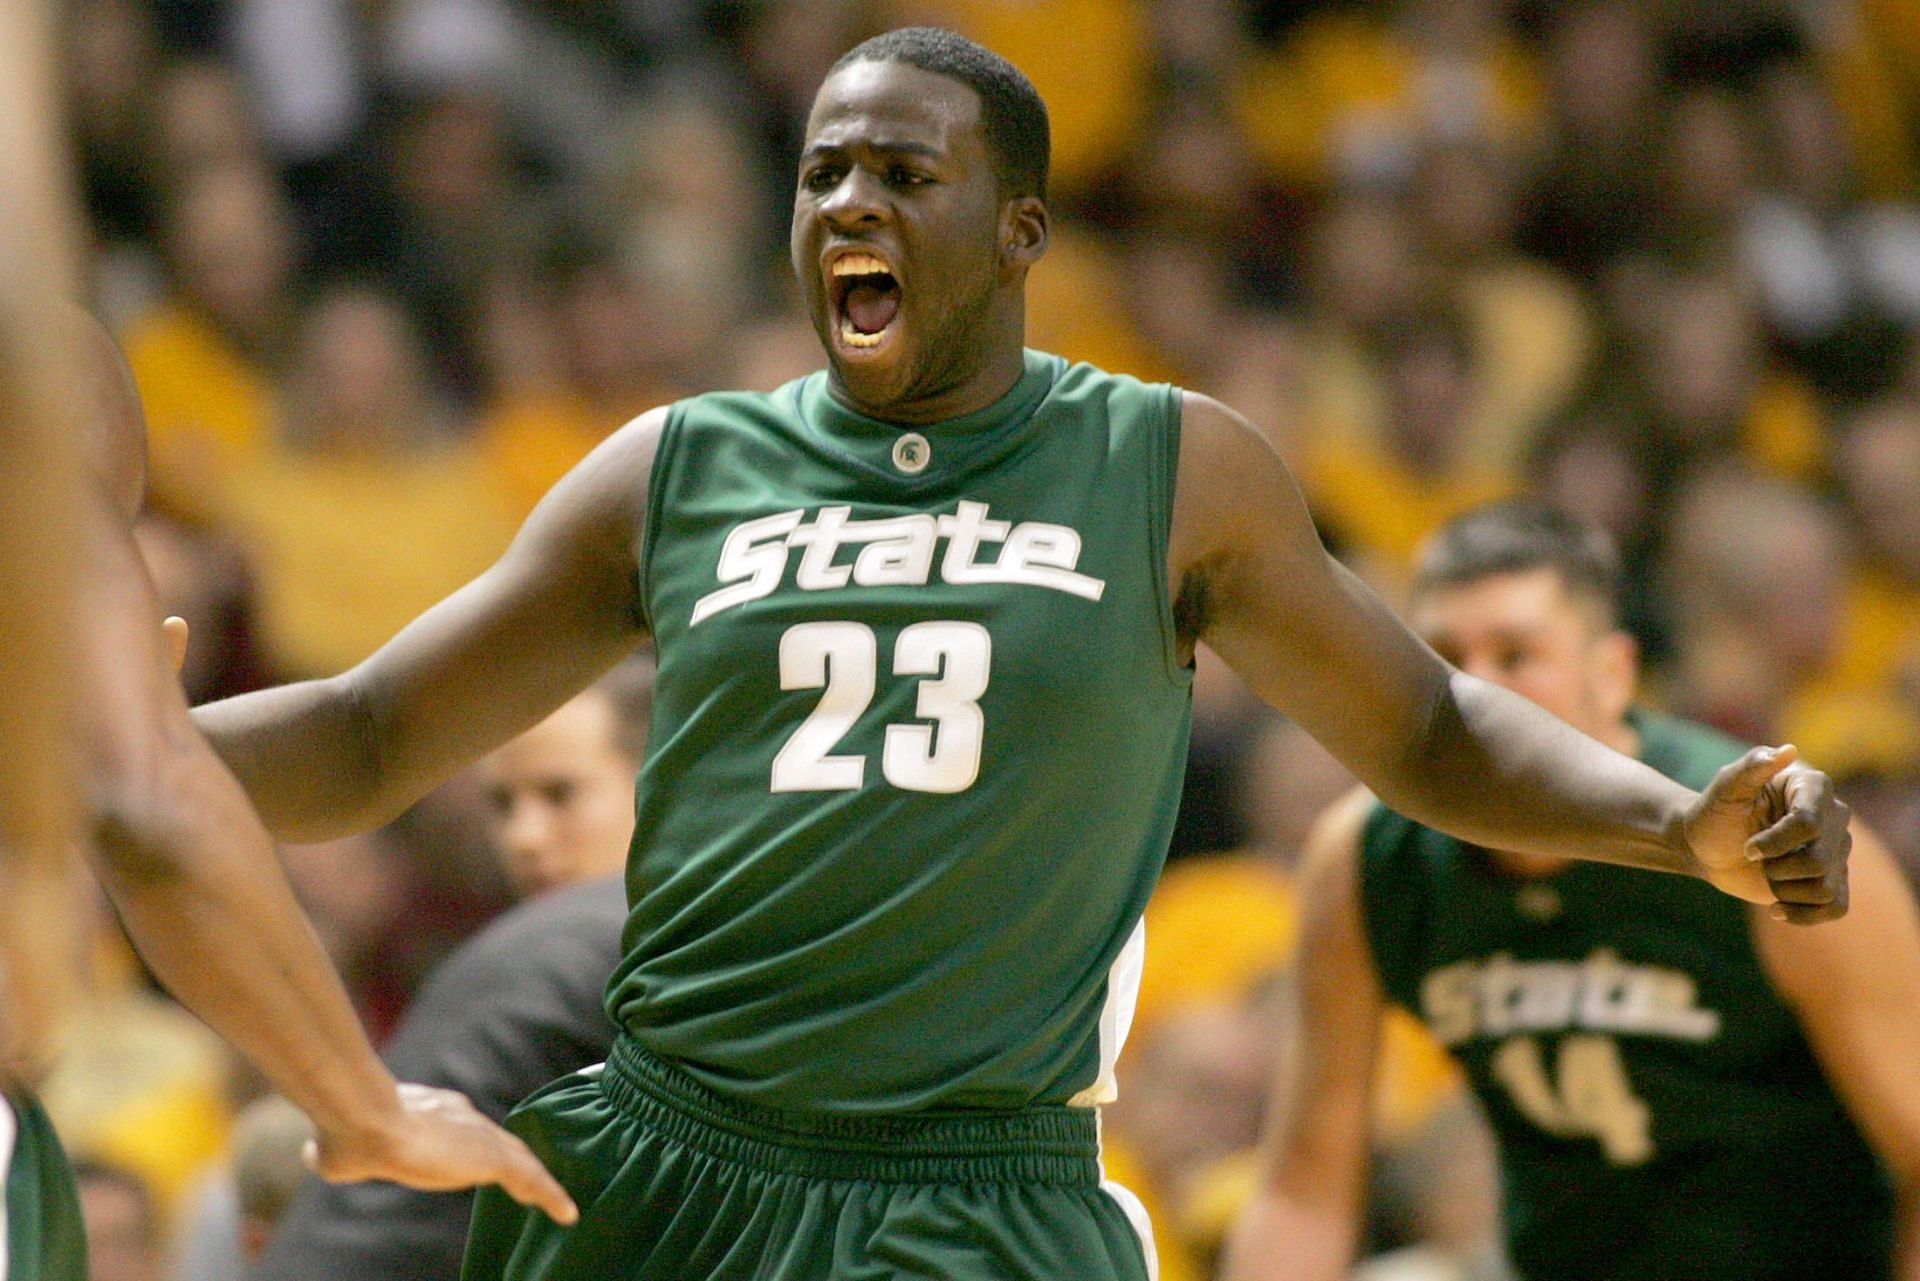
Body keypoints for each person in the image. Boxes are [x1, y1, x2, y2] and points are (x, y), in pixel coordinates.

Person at [190, 29, 1850, 1281]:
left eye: (904, 175)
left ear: (1020, 230)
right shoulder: (675, 466)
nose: (850, 202)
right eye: (823, 172)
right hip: (672, 1152)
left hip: (977, 1186)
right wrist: (116, 740)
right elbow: (363, 734)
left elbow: (1425, 729)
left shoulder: (1172, 466)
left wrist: (1672, 826)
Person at [1222, 502, 1920, 1281]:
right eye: (1443, 659)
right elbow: (1303, 1189)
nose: (1473, 695)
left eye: (1517, 654)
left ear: (1612, 673)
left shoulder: (1768, 843)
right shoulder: (1362, 857)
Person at [253, 666, 649, 1280]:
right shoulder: (543, 957)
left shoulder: (567, 954)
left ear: (669, 785)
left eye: (560, 794)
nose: (523, 837)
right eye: (503, 804)